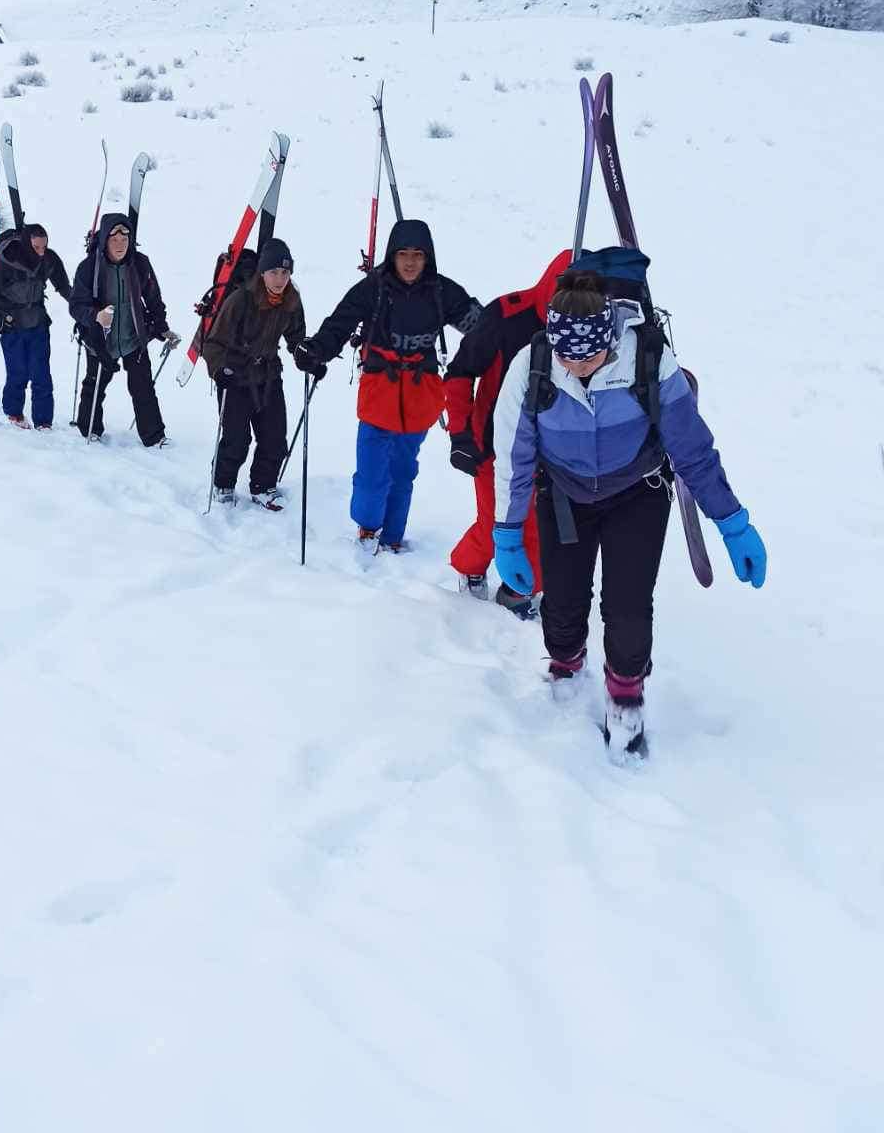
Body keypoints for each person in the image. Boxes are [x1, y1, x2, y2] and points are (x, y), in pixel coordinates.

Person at [491, 266, 767, 755]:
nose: (575, 366)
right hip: (565, 498)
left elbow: (693, 450)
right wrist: (508, 532)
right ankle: (566, 660)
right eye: (566, 356)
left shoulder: (649, 358)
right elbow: (515, 458)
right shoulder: (530, 367)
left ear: (609, 340)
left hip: (637, 492)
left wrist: (732, 522)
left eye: (588, 355)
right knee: (563, 606)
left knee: (628, 607)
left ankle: (626, 697)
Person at [295, 219, 481, 551]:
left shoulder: (441, 291)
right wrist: (317, 350)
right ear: (392, 256)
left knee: (403, 471)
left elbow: (482, 328)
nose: (410, 262)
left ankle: (394, 538)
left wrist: (509, 341)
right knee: (371, 473)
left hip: (420, 395)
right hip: (380, 391)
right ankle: (368, 528)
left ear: (428, 257)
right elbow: (340, 323)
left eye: (418, 255)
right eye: (403, 254)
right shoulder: (373, 288)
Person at [443, 249, 571, 616]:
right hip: (494, 449)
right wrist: (461, 434)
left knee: (541, 530)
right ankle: (468, 568)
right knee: (495, 526)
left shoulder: (586, 329)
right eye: (562, 287)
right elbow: (460, 372)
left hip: (551, 455)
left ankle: (517, 592)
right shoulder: (506, 315)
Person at [203, 238, 306, 509]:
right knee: (237, 439)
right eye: (274, 272)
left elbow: (297, 339)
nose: (280, 279)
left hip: (268, 375)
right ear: (262, 272)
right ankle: (223, 485)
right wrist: (218, 369)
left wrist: (309, 356)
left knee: (274, 437)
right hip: (234, 376)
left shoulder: (291, 300)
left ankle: (263, 485)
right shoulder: (241, 300)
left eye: (285, 272)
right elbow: (213, 343)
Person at [69, 214, 178, 446]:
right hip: (100, 340)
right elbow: (76, 305)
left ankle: (154, 436)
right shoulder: (89, 267)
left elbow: (153, 299)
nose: (120, 244)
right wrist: (95, 316)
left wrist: (162, 329)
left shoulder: (139, 263)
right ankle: (90, 429)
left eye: (125, 238)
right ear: (105, 240)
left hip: (133, 338)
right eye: (114, 238)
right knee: (94, 386)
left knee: (143, 388)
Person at [0, 222, 72, 430]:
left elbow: (65, 288)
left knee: (41, 373)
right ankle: (14, 413)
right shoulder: (8, 261)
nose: (41, 252)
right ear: (26, 244)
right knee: (18, 372)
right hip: (11, 324)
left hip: (38, 322)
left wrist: (86, 309)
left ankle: (43, 421)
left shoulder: (49, 260)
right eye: (36, 248)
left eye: (44, 247)